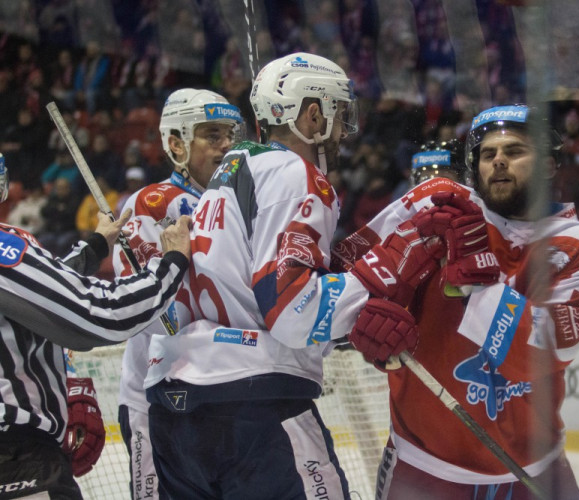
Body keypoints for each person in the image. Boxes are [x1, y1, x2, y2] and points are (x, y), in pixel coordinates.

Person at [144, 52, 462, 499]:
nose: (340, 130)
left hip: (177, 411)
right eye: (338, 113)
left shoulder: (231, 171)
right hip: (253, 409)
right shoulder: (297, 173)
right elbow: (294, 310)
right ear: (312, 114)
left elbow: (280, 273)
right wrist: (399, 257)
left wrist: (405, 215)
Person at [331, 104, 579, 499]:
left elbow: (542, 349)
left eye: (515, 151)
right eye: (488, 154)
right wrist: (373, 330)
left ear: (550, 166)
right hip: (424, 468)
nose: (499, 161)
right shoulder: (434, 205)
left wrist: (474, 279)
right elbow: (345, 282)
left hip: (534, 471)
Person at [0, 153, 192, 500]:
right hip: (15, 458)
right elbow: (101, 313)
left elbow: (25, 294)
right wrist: (171, 264)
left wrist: (93, 248)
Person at [114, 88, 244, 500]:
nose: (226, 146)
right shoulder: (153, 204)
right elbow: (150, 312)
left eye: (230, 135)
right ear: (176, 144)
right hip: (157, 403)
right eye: (212, 135)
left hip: (228, 396)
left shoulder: (240, 205)